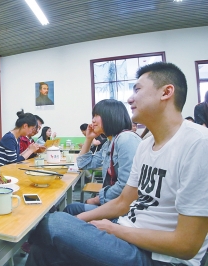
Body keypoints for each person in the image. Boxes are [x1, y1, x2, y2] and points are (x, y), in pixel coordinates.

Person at [25, 62, 208, 266]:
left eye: (137, 89)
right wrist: (84, 223)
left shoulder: (198, 143)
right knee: (49, 245)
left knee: (55, 222)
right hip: (127, 231)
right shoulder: (146, 145)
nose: (130, 98)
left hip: (159, 257)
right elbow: (123, 202)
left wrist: (113, 229)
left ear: (166, 92)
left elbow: (186, 245)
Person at [64, 99, 141, 215]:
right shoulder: (109, 142)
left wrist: (97, 199)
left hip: (125, 210)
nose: (93, 120)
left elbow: (126, 185)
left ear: (111, 116)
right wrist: (89, 139)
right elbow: (83, 164)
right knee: (71, 208)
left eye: (97, 115)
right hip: (112, 202)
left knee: (70, 210)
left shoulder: (126, 139)